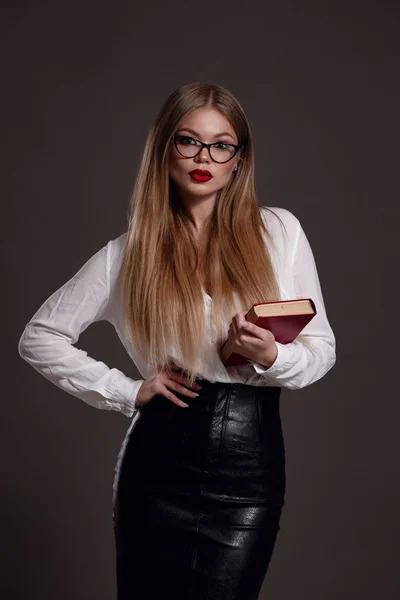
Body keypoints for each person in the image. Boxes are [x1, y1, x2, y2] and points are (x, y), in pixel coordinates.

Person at [18, 82, 336, 600]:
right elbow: (40, 337)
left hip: (247, 469)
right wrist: (126, 390)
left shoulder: (279, 232)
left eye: (221, 145)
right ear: (164, 148)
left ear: (239, 159)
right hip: (158, 466)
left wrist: (271, 355)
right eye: (188, 141)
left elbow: (321, 350)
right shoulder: (127, 256)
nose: (204, 157)